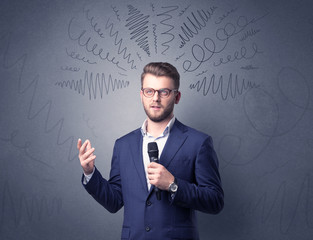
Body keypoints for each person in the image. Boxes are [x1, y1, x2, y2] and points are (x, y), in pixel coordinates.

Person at [77, 62, 224, 240]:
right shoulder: (123, 145)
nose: (155, 98)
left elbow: (215, 201)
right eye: (149, 91)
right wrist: (90, 173)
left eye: (164, 92)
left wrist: (173, 184)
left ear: (176, 97)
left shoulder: (198, 142)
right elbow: (114, 201)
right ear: (141, 95)